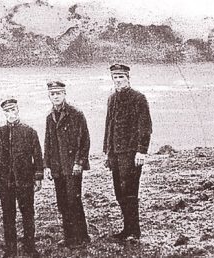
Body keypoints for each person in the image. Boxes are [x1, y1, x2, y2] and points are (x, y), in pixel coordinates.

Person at [103, 64, 152, 240]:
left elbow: (145, 126)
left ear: (128, 78)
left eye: (121, 77)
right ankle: (127, 228)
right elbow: (109, 126)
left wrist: (141, 151)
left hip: (131, 154)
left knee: (130, 191)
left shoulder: (138, 98)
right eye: (115, 77)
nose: (118, 81)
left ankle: (134, 231)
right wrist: (107, 152)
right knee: (119, 192)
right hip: (115, 154)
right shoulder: (112, 99)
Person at [43, 80, 91, 249]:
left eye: (58, 93)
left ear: (64, 94)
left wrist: (79, 162)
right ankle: (70, 237)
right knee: (63, 202)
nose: (55, 97)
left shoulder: (76, 114)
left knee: (74, 201)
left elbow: (84, 140)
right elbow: (48, 142)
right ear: (49, 96)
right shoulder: (50, 117)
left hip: (72, 166)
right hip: (58, 167)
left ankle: (82, 237)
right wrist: (47, 165)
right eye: (52, 94)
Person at [0, 98, 43, 258]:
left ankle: (30, 247)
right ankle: (11, 249)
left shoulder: (29, 131)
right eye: (7, 111)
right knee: (8, 215)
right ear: (4, 113)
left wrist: (37, 177)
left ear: (18, 110)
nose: (10, 114)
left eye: (13, 110)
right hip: (6, 182)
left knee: (27, 213)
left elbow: (38, 156)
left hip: (25, 181)